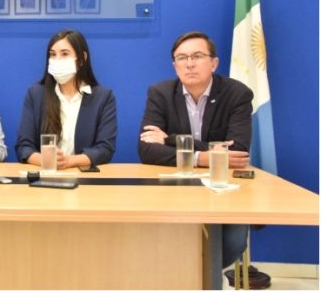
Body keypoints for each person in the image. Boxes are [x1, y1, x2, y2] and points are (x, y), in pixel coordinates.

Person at [137, 30, 267, 284]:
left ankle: (201, 279)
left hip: (225, 189)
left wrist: (171, 139)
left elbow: (238, 151)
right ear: (175, 65)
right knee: (158, 236)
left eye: (197, 56)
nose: (189, 64)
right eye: (182, 58)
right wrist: (203, 157)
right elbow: (147, 150)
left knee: (231, 242)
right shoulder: (160, 93)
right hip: (176, 189)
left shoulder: (237, 94)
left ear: (214, 63)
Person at [15, 29, 117, 168]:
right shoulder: (36, 94)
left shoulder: (103, 97)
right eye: (52, 55)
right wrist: (46, 160)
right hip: (45, 174)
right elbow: (23, 146)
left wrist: (69, 161)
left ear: (82, 58)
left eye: (64, 54)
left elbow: (105, 149)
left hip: (83, 176)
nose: (57, 60)